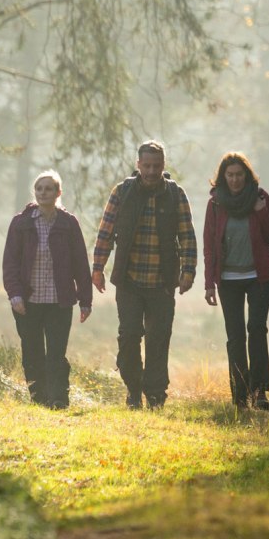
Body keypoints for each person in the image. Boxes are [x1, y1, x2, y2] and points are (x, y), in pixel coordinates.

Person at [91, 140, 197, 409]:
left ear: (163, 166)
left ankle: (156, 394)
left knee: (158, 338)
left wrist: (189, 271)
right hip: (129, 280)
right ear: (138, 165)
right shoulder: (122, 192)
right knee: (128, 336)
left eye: (156, 166)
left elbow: (187, 235)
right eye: (147, 166)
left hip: (162, 282)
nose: (151, 171)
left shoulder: (175, 195)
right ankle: (133, 389)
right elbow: (105, 232)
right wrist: (98, 267)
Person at [2, 170, 92, 409]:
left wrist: (85, 299)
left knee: (56, 353)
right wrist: (15, 295)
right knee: (31, 353)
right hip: (28, 301)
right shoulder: (21, 223)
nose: (43, 193)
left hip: (59, 301)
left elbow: (80, 263)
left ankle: (58, 399)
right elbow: (10, 262)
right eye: (39, 188)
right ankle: (38, 398)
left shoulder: (68, 223)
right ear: (35, 192)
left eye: (49, 188)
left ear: (58, 193)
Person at [202, 152, 269, 411]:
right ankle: (240, 395)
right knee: (235, 337)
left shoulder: (260, 198)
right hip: (228, 280)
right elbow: (209, 246)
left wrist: (261, 213)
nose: (235, 179)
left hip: (259, 277)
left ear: (246, 176)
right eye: (230, 175)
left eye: (239, 175)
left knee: (257, 330)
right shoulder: (215, 204)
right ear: (223, 177)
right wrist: (209, 283)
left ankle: (259, 392)